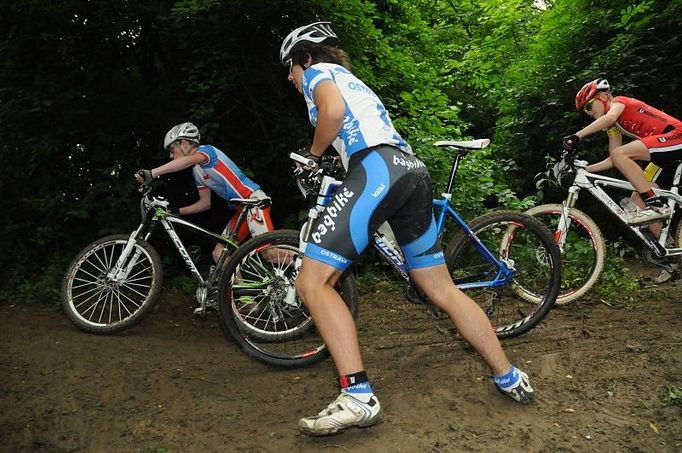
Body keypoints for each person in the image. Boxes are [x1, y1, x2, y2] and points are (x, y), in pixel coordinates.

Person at [280, 21, 534, 437]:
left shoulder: (317, 73)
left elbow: (333, 113)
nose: (291, 79)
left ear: (304, 58)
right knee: (441, 288)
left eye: (289, 69)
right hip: (410, 170)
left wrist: (311, 155)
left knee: (312, 283)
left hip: (377, 167)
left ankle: (359, 396)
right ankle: (508, 375)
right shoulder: (351, 78)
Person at [135, 122, 274, 263]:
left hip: (253, 201)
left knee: (269, 254)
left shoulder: (207, 151)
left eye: (172, 149)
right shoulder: (198, 171)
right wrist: (178, 211)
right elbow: (205, 203)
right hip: (242, 210)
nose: (171, 155)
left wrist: (152, 173)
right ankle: (232, 285)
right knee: (219, 253)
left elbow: (186, 161)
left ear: (183, 143)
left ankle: (298, 263)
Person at [564, 78, 682, 226]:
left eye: (588, 106)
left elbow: (610, 118)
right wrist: (585, 170)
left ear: (604, 97)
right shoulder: (613, 126)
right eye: (584, 111)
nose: (587, 112)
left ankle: (656, 205)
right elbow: (614, 159)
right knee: (635, 205)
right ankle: (666, 245)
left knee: (621, 154)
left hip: (677, 136)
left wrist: (576, 136)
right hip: (662, 156)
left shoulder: (618, 102)